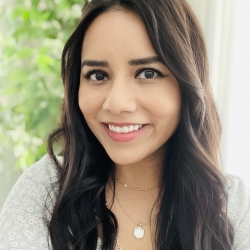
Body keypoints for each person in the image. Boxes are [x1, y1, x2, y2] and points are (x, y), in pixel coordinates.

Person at [0, 0, 250, 249]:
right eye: (98, 75)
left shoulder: (233, 207)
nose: (117, 103)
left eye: (147, 73)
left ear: (187, 83)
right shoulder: (46, 190)